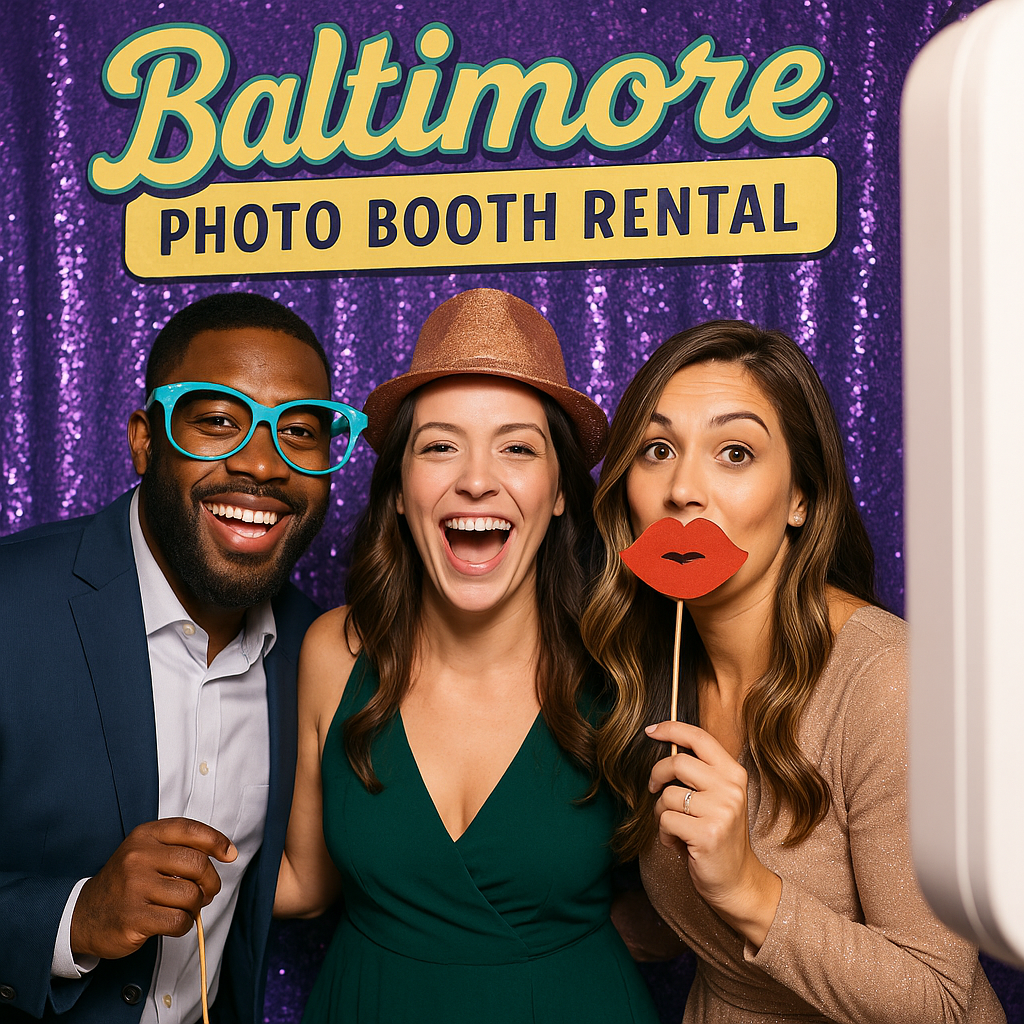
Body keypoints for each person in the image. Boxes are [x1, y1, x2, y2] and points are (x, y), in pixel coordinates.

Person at [582, 320, 1005, 1023]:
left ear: (801, 498)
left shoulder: (888, 682)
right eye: (657, 450)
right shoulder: (654, 667)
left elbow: (943, 1002)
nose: (684, 488)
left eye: (735, 453)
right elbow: (703, 925)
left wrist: (749, 889)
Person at [274, 288, 660, 1023]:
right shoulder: (334, 651)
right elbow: (302, 881)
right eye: (440, 445)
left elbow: (676, 906)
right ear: (398, 492)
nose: (476, 478)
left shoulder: (623, 663)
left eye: (517, 447)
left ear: (556, 495)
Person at [0, 292, 366, 1024]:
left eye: (298, 432)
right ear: (145, 438)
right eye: (220, 422)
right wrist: (71, 919)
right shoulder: (13, 604)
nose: (262, 463)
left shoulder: (319, 653)